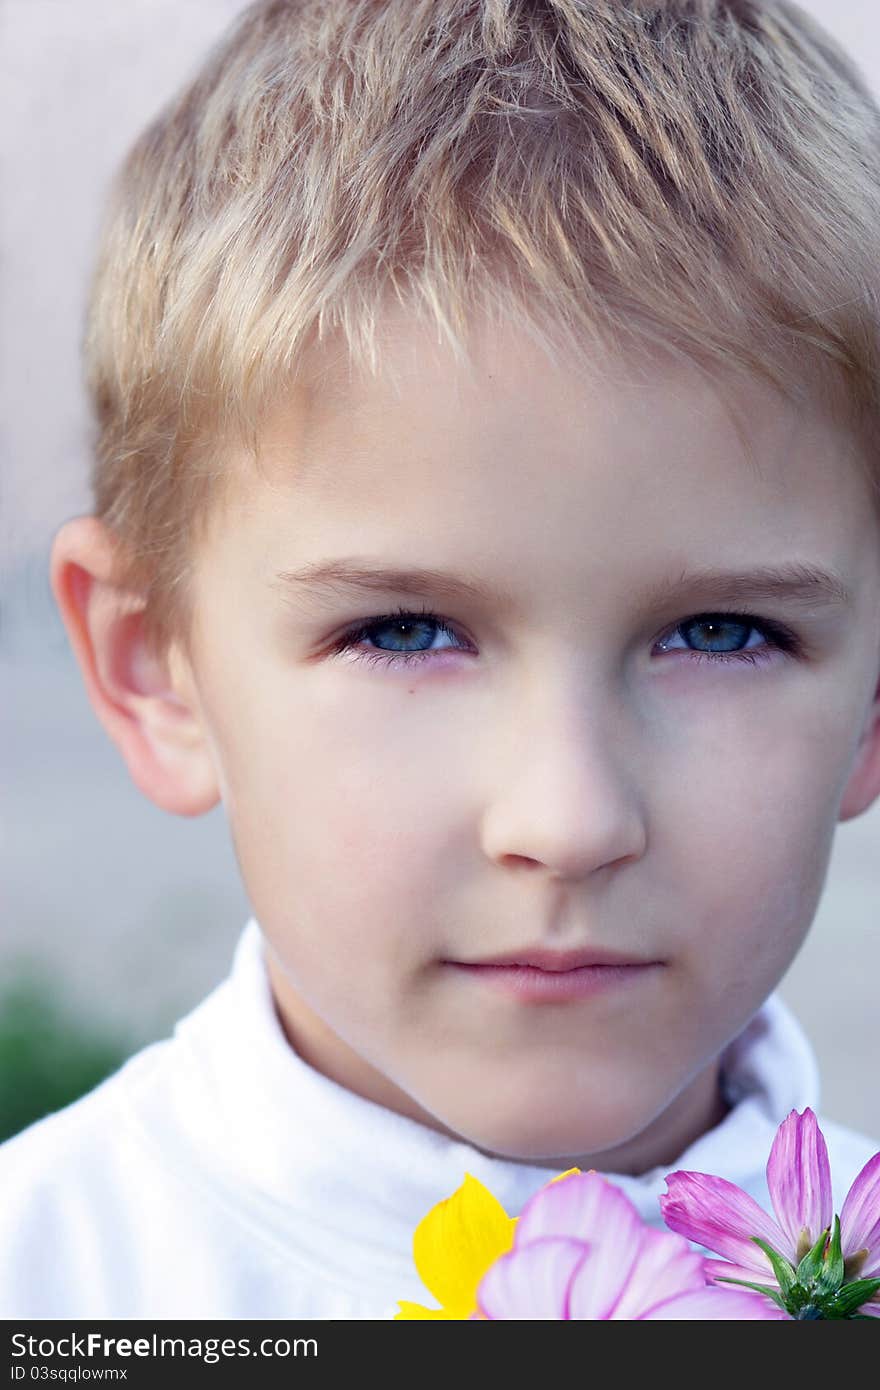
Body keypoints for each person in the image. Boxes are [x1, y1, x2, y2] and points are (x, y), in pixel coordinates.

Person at [2, 0, 880, 1320]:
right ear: (155, 667)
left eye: (724, 631)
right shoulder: (53, 1283)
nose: (570, 820)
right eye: (403, 630)